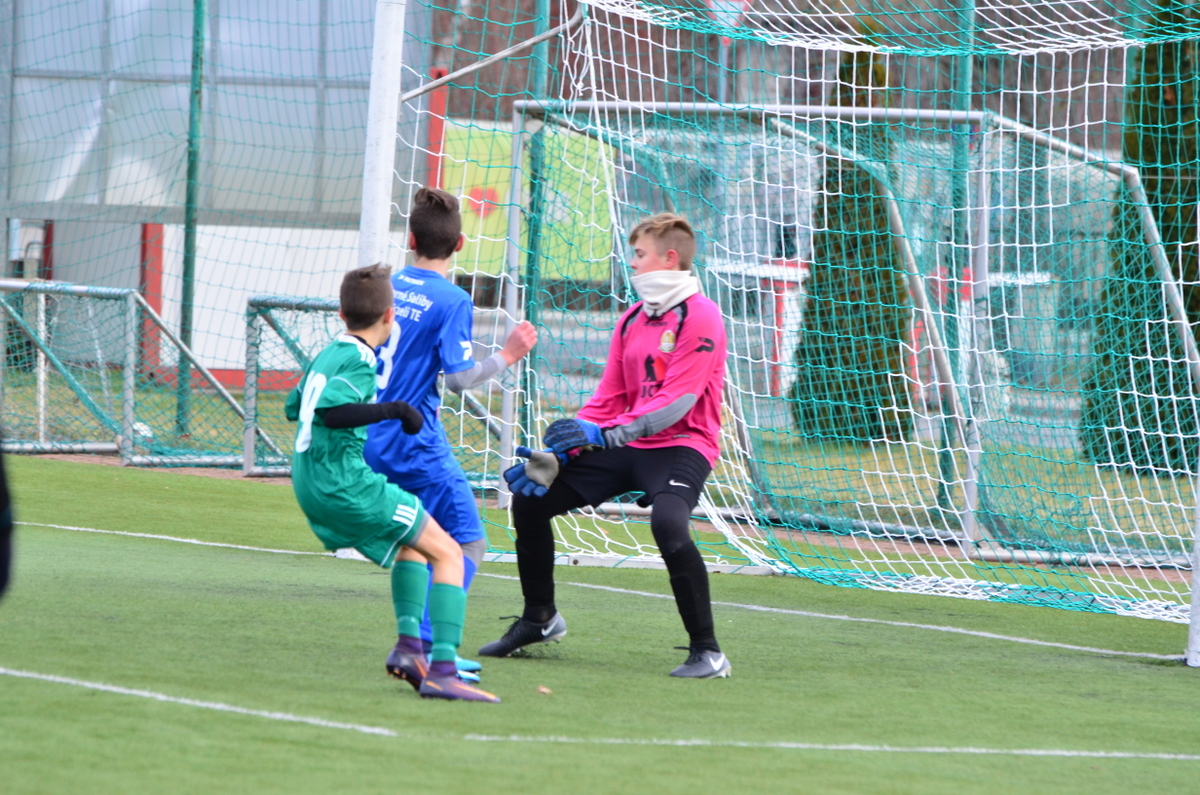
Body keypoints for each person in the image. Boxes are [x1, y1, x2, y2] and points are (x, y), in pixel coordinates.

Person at [481, 213, 732, 679]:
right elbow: (608, 399)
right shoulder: (632, 319)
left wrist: (604, 435)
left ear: (668, 258)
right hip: (625, 442)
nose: (632, 264)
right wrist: (564, 448)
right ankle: (540, 619)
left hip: (682, 443)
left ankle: (708, 652)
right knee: (530, 499)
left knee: (669, 524)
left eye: (639, 255)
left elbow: (677, 403)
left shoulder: (702, 315)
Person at [286, 264, 499, 703]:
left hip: (308, 481)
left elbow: (295, 405)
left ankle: (408, 650)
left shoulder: (328, 353)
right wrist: (395, 409)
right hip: (344, 483)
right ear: (390, 315)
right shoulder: (360, 360)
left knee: (412, 546)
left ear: (342, 315)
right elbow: (332, 411)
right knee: (449, 552)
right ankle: (442, 670)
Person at [364, 187, 536, 678]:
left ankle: (410, 641)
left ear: (411, 238)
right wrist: (507, 355)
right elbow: (459, 379)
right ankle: (427, 646)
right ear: (460, 244)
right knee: (467, 542)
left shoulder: (387, 285)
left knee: (416, 541)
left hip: (371, 438)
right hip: (416, 443)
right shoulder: (452, 298)